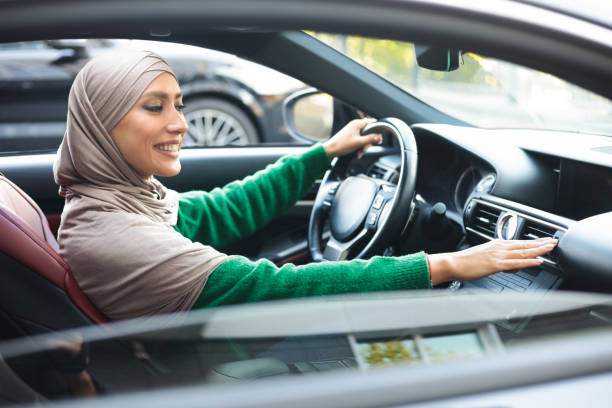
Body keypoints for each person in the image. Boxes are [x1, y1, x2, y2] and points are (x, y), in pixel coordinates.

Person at [53, 50, 557, 321]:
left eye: (179, 104)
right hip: (212, 374)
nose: (180, 123)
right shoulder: (116, 235)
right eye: (154, 106)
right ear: (102, 122)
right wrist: (445, 264)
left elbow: (218, 212)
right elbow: (273, 289)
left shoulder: (119, 200)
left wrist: (320, 157)